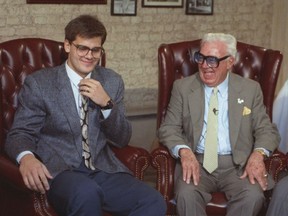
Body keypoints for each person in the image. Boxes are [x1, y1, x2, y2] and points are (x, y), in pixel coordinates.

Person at [5, 14, 166, 216]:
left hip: (103, 169)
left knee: (153, 201)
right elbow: (19, 133)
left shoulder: (112, 81)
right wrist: (26, 158)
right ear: (67, 46)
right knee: (86, 193)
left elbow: (122, 138)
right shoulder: (40, 83)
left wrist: (106, 104)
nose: (89, 56)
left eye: (95, 50)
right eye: (82, 48)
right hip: (60, 171)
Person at [158, 33, 280, 216]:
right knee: (186, 195)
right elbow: (169, 128)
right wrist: (184, 151)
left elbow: (266, 130)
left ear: (230, 62)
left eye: (213, 60)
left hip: (238, 163)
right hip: (196, 160)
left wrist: (258, 154)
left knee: (253, 196)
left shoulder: (250, 89)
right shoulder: (183, 88)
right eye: (201, 58)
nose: (205, 65)